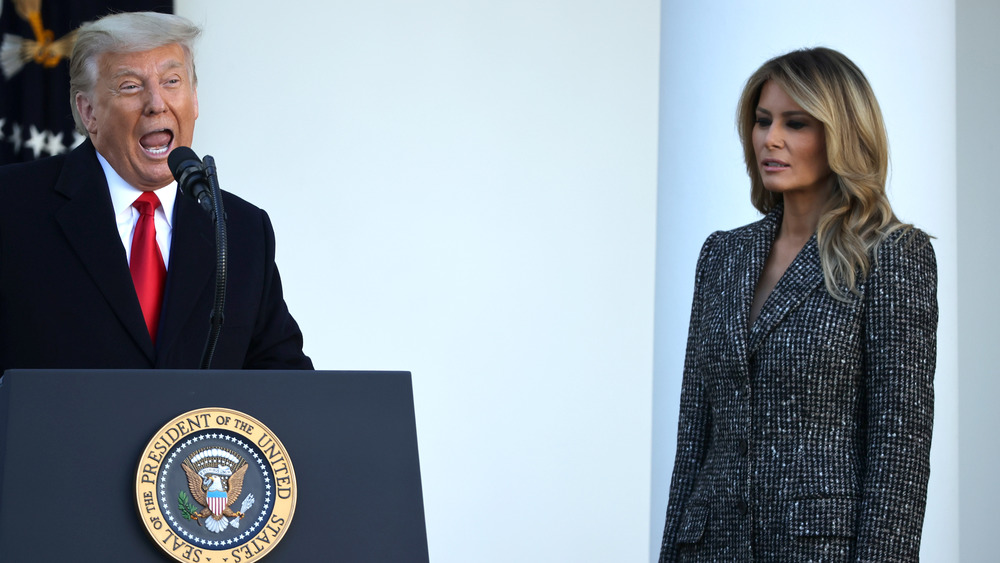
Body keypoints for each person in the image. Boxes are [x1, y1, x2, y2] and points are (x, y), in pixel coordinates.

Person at [658, 47, 936, 562]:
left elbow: (899, 451)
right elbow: (693, 439)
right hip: (708, 547)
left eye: (796, 123)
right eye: (763, 121)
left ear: (842, 133)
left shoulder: (893, 254)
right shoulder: (722, 255)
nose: (771, 139)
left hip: (817, 548)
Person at [0, 12, 312, 371]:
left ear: (194, 100)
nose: (156, 103)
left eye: (172, 81)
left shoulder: (238, 229)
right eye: (131, 85)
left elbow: (284, 379)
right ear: (89, 113)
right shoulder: (11, 206)